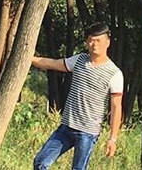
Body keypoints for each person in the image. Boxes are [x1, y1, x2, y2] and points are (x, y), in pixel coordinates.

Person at [30, 22, 123, 170]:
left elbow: (116, 107)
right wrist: (29, 58)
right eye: (91, 40)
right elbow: (53, 64)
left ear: (108, 42)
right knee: (40, 162)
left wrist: (112, 138)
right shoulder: (79, 60)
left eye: (98, 40)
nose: (94, 44)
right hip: (66, 127)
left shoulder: (115, 73)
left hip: (88, 132)